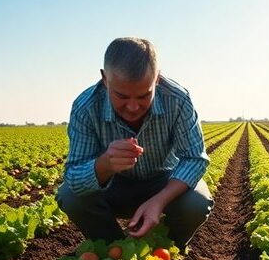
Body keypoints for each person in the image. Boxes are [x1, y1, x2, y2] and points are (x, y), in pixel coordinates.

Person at [56, 37, 213, 246]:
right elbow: (73, 176)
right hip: (112, 186)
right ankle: (113, 248)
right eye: (121, 96)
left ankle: (165, 250)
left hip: (162, 181)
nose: (132, 107)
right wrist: (105, 164)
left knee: (197, 203)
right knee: (70, 196)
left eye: (143, 96)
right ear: (105, 79)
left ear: (157, 78)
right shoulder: (86, 107)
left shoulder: (177, 99)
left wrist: (159, 201)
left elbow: (195, 159)